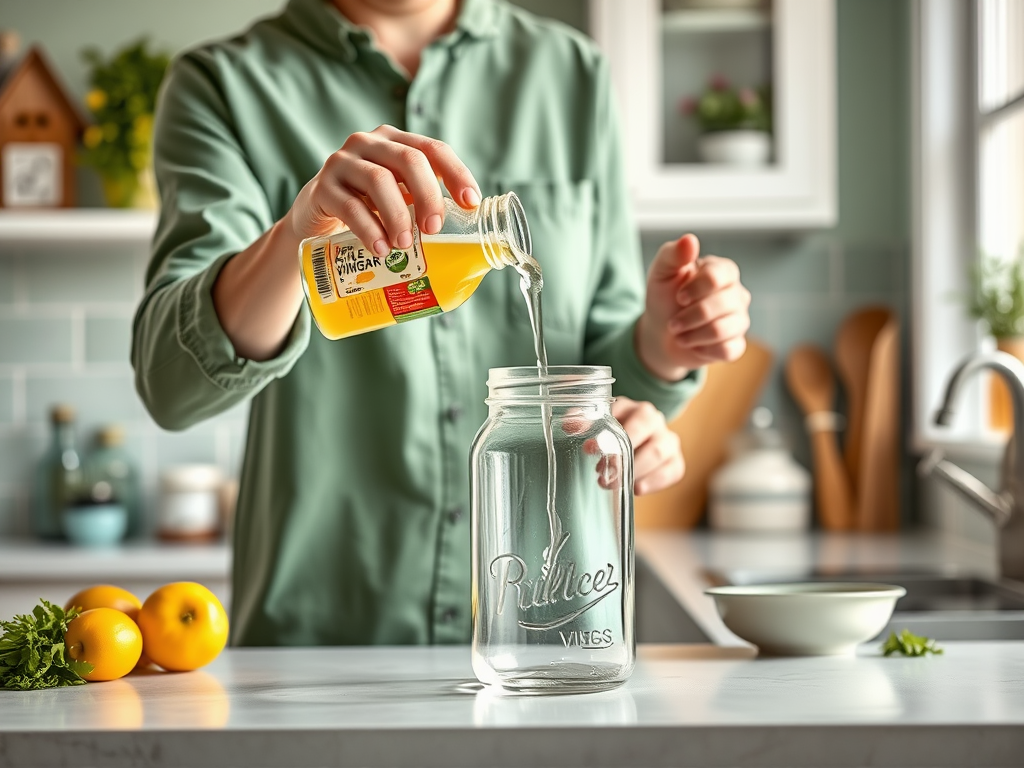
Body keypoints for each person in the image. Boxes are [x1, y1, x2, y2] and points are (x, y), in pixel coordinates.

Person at [132, 0, 752, 645]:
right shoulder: (224, 83)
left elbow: (599, 378)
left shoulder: (570, 71)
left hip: (552, 632)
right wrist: (297, 238)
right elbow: (173, 385)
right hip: (324, 646)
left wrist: (666, 343)